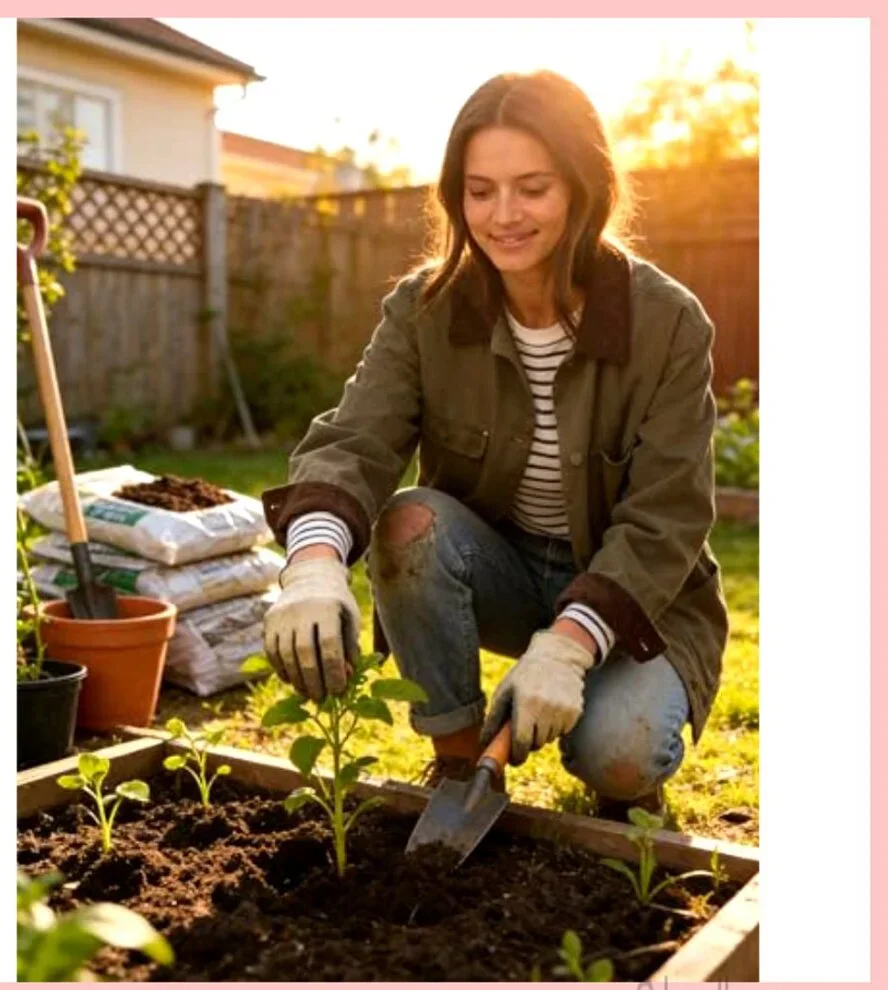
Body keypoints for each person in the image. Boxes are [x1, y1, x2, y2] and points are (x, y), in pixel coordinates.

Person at [259, 69, 728, 821]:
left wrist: (572, 643)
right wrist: (313, 565)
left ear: (583, 187)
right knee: (410, 520)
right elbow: (355, 439)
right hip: (504, 569)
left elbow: (668, 518)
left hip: (641, 599)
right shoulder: (426, 310)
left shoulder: (667, 323)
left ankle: (617, 754)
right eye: (480, 191)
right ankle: (459, 771)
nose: (503, 215)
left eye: (532, 188)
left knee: (618, 754)